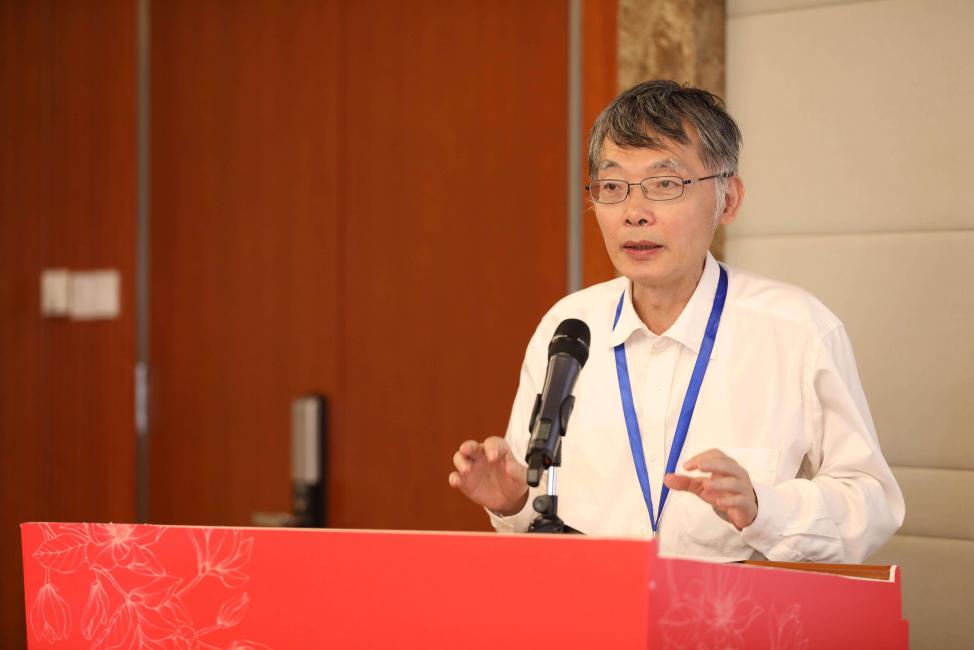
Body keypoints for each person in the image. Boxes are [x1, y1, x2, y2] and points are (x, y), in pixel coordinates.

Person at [448, 80, 904, 562]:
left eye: (665, 184)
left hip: (735, 608)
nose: (634, 213)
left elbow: (871, 502)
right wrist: (513, 501)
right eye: (613, 187)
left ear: (728, 200)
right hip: (592, 604)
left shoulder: (796, 330)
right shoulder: (568, 326)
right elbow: (535, 510)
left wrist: (762, 507)